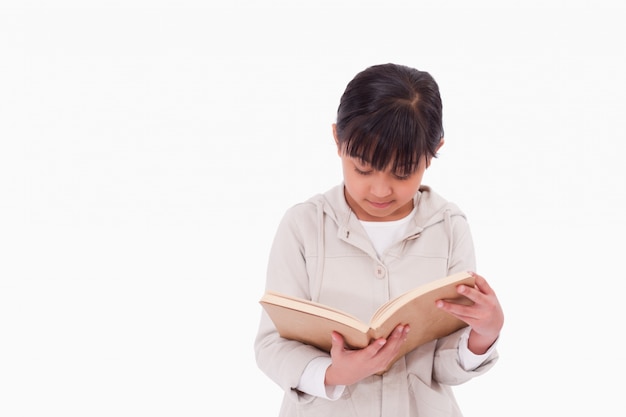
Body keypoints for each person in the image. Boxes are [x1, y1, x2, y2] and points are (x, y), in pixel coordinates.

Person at [254, 63, 504, 417]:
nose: (381, 189)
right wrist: (334, 373)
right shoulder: (303, 225)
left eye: (403, 172)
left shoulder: (449, 226)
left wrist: (484, 335)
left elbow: (441, 368)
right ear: (338, 140)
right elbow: (270, 345)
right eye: (363, 169)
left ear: (434, 153)